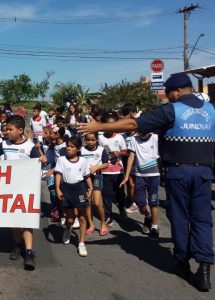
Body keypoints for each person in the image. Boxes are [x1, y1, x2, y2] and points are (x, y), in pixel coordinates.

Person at [77, 73, 215, 292]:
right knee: (202, 219)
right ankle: (205, 268)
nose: (168, 97)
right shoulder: (211, 110)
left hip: (178, 172)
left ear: (176, 91)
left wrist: (97, 127)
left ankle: (182, 262)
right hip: (205, 173)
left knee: (179, 216)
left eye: (169, 93)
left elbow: (134, 123)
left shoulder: (172, 110)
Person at [0, 115, 46, 270]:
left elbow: (37, 163)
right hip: (9, 189)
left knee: (26, 220)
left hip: (26, 189)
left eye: (10, 129)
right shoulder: (3, 144)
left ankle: (29, 251)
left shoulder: (29, 146)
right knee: (14, 220)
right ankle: (17, 244)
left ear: (20, 131)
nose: (7, 132)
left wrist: (41, 160)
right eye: (6, 129)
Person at [55, 137, 93, 257]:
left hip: (80, 189)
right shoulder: (61, 160)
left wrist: (90, 188)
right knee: (70, 219)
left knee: (82, 216)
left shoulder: (83, 161)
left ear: (78, 149)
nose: (69, 148)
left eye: (72, 147)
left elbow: (86, 175)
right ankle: (67, 229)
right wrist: (57, 189)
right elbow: (58, 174)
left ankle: (81, 243)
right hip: (67, 189)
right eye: (68, 146)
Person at [120, 132, 160, 240]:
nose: (143, 132)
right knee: (140, 203)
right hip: (140, 176)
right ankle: (148, 216)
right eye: (141, 130)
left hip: (154, 176)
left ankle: (154, 228)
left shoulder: (155, 137)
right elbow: (131, 157)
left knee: (153, 203)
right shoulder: (134, 139)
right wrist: (127, 176)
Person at [98, 112, 128, 226]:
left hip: (118, 171)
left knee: (120, 194)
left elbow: (125, 152)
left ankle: (121, 210)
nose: (110, 127)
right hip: (105, 172)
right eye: (108, 125)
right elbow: (98, 152)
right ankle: (108, 215)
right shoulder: (100, 138)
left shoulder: (119, 137)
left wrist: (119, 152)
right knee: (107, 195)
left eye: (113, 125)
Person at [81, 133, 109, 236]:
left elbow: (106, 164)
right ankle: (91, 225)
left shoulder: (101, 150)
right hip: (85, 178)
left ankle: (103, 223)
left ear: (96, 140)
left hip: (96, 177)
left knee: (97, 203)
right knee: (87, 203)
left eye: (92, 140)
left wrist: (96, 168)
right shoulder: (82, 150)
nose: (90, 142)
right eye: (88, 140)